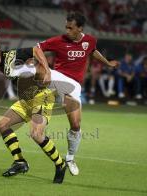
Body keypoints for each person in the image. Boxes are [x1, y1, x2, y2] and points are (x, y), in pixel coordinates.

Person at [37, 11, 119, 175]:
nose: (67, 31)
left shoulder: (89, 41)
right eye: (66, 27)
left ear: (80, 28)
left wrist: (108, 63)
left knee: (75, 125)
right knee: (37, 70)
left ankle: (70, 158)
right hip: (58, 77)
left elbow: (93, 51)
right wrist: (46, 69)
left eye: (71, 28)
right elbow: (38, 47)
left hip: (74, 85)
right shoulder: (59, 40)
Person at [0, 41, 67, 183]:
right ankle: (20, 162)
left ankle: (60, 164)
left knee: (36, 134)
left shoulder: (11, 55)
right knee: (2, 124)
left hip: (41, 95)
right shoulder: (1, 64)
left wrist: (47, 70)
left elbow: (36, 49)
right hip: (26, 99)